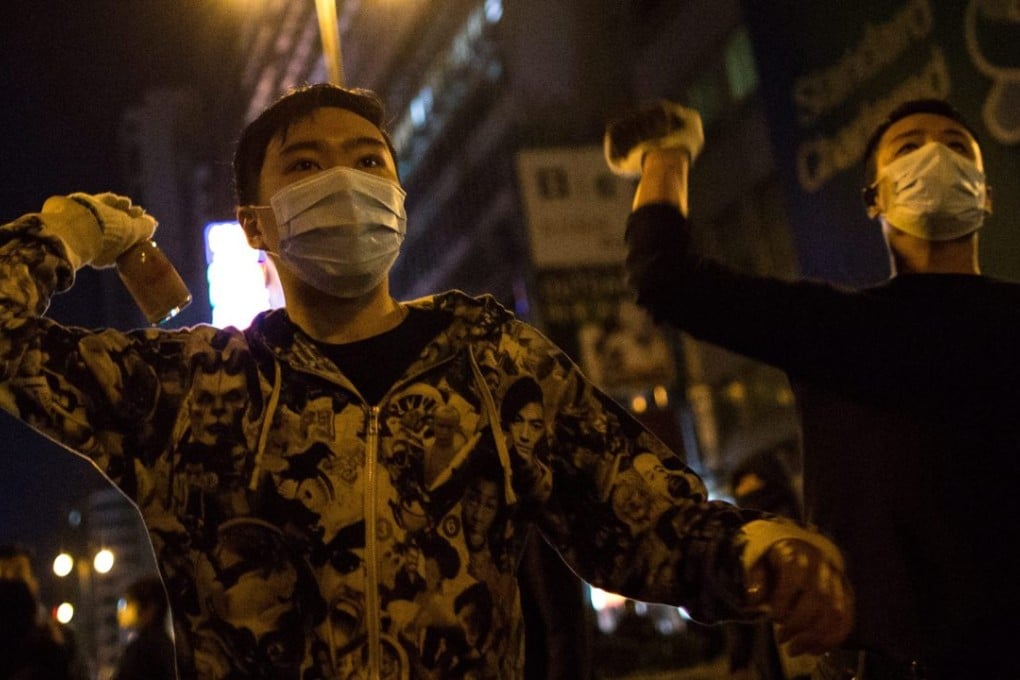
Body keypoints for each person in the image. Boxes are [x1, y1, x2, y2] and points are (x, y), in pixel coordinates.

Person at [0, 83, 852, 678]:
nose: (346, 179)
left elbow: (639, 516)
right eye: (304, 165)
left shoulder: (492, 358)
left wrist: (757, 549)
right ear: (255, 224)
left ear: (399, 199)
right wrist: (64, 234)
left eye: (370, 160)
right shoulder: (191, 392)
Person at [612, 97, 1020, 678]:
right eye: (909, 147)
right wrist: (667, 157)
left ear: (985, 192)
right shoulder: (834, 327)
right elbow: (666, 279)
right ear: (874, 198)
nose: (934, 156)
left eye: (956, 147)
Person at [726, 447, 811, 680]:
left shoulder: (807, 539)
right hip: (775, 660)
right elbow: (739, 610)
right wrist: (739, 661)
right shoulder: (744, 546)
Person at [0, 545, 89, 680]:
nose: (9, 579)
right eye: (2, 574)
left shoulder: (60, 636)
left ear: (34, 583)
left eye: (18, 573)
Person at [114, 573, 177, 680]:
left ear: (150, 608)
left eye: (127, 603)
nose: (121, 611)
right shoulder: (165, 644)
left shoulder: (143, 648)